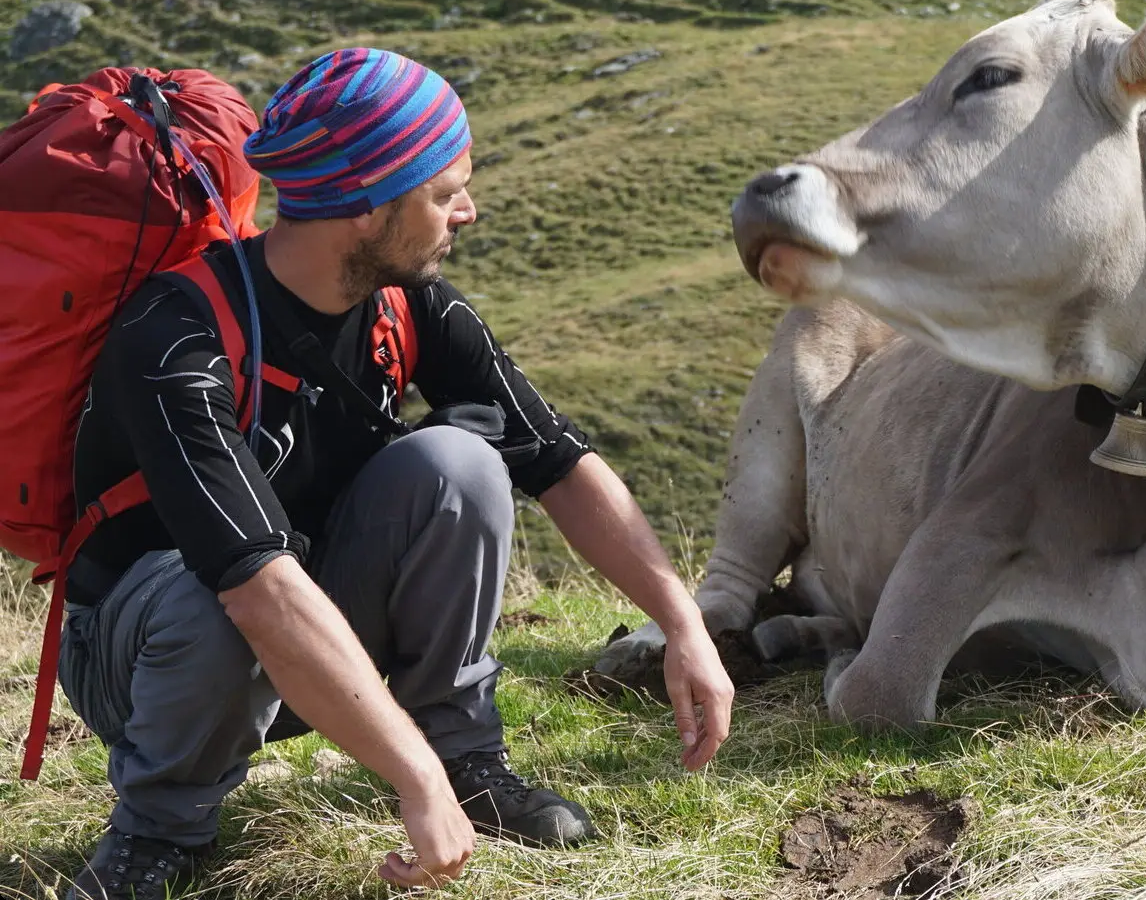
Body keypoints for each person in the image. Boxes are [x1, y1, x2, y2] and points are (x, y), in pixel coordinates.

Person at [59, 48, 735, 899]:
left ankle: (469, 759)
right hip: (144, 657)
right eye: (445, 191)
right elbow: (256, 589)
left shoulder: (408, 302)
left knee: (461, 462)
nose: (469, 211)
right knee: (216, 592)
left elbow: (559, 459)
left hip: (301, 631)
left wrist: (684, 623)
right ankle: (155, 831)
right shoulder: (176, 338)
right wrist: (412, 778)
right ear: (368, 205)